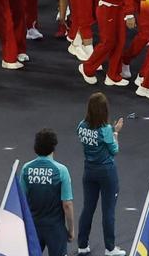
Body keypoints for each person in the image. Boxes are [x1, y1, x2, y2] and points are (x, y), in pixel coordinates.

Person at [76, 93, 126, 256]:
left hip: (89, 171)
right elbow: (114, 150)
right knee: (108, 211)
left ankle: (82, 245)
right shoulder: (106, 130)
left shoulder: (82, 126)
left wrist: (109, 131)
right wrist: (116, 132)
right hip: (106, 173)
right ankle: (110, 248)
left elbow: (90, 135)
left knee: (88, 208)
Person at [22, 128, 75, 256]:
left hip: (33, 226)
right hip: (55, 228)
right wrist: (71, 229)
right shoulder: (61, 170)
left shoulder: (26, 169)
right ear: (53, 147)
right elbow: (67, 204)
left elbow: (22, 201)